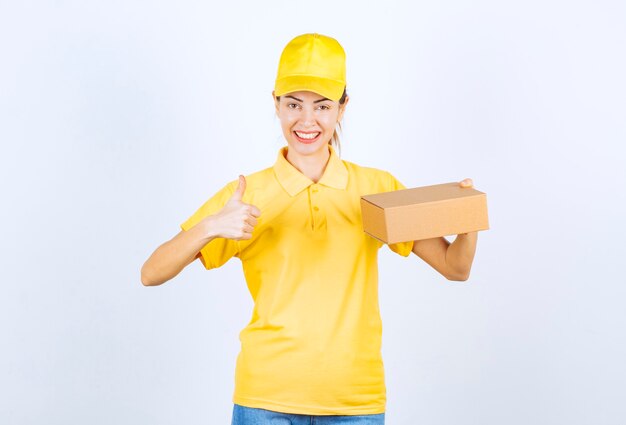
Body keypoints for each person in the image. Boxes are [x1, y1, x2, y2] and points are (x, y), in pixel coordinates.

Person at [141, 33, 478, 425]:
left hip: (355, 403)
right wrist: (211, 227)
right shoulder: (248, 193)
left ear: (342, 107)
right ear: (276, 104)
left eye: (322, 106)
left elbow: (456, 268)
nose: (306, 120)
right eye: (293, 104)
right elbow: (150, 273)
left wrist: (470, 217)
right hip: (265, 400)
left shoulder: (376, 188)